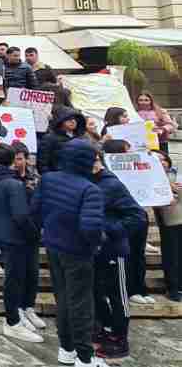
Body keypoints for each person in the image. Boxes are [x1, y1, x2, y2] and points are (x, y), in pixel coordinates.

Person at [31, 139, 106, 367]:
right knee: (81, 304)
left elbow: (35, 210)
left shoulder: (48, 179)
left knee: (62, 299)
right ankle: (85, 358)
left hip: (54, 246)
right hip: (78, 252)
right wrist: (99, 241)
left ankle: (66, 349)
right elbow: (91, 228)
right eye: (94, 158)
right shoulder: (90, 189)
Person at [92, 139, 147, 359]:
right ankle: (106, 329)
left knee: (118, 295)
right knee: (97, 292)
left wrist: (111, 230)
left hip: (115, 249)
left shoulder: (112, 184)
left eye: (96, 160)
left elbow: (138, 216)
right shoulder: (86, 181)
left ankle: (121, 338)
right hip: (95, 251)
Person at [0, 143, 44, 342]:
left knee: (16, 278)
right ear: (12, 161)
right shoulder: (12, 184)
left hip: (4, 234)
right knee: (15, 279)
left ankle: (16, 317)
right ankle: (13, 321)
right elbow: (20, 215)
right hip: (17, 237)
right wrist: (35, 233)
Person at [153, 151, 182, 302]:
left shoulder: (176, 173)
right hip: (169, 220)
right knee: (171, 255)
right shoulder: (151, 177)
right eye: (157, 160)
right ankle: (173, 287)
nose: (162, 162)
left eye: (164, 159)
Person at [40, 107, 87, 174]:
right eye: (69, 119)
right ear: (60, 121)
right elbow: (43, 163)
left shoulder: (82, 138)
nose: (73, 121)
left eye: (75, 119)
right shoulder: (49, 138)